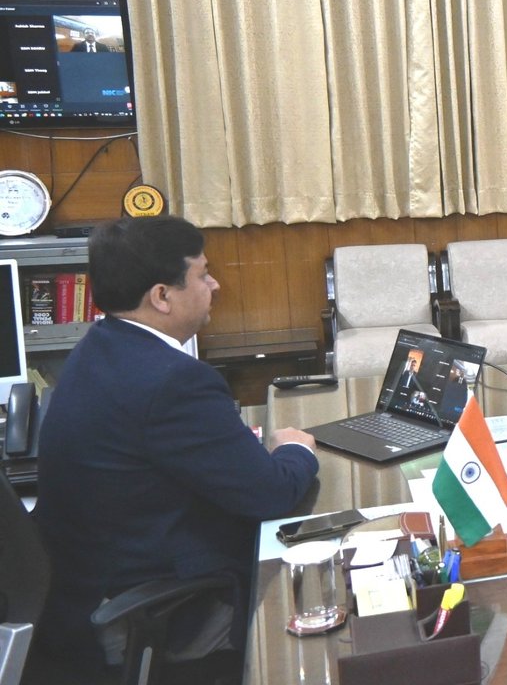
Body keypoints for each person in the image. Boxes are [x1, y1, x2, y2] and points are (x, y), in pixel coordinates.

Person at [33, 216, 319, 670]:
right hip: (159, 613)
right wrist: (295, 448)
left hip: (84, 593)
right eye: (203, 275)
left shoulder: (98, 348)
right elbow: (271, 493)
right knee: (322, 588)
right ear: (162, 296)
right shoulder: (173, 381)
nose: (215, 285)